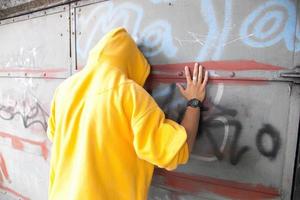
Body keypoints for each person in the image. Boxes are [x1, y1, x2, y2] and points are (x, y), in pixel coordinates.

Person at [47, 27, 208, 200]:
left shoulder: (63, 91)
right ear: (133, 62)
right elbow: (175, 152)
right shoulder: (130, 94)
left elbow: (55, 136)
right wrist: (194, 102)